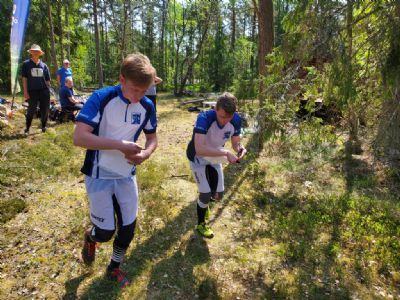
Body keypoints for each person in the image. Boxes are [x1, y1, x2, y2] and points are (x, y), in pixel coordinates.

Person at [73, 53, 157, 288]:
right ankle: (91, 237)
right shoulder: (102, 97)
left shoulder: (147, 105)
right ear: (121, 78)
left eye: (143, 91)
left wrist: (146, 154)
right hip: (98, 174)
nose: (137, 96)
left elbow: (152, 138)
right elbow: (79, 137)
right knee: (106, 232)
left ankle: (114, 268)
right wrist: (120, 145)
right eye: (134, 90)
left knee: (129, 227)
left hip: (126, 174)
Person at [186, 92, 247, 238]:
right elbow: (200, 148)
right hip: (197, 157)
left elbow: (235, 142)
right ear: (215, 109)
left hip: (215, 156)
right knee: (206, 193)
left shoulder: (236, 119)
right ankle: (201, 224)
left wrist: (240, 148)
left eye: (229, 117)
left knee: (218, 196)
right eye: (221, 116)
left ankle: (205, 204)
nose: (225, 121)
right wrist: (226, 153)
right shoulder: (204, 118)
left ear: (234, 113)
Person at [22, 44, 51, 134]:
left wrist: (49, 90)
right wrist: (25, 91)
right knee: (31, 110)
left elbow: (47, 80)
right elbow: (24, 78)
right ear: (31, 52)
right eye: (33, 51)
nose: (35, 52)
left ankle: (43, 126)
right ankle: (27, 128)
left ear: (39, 53)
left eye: (37, 51)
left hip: (44, 91)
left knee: (45, 109)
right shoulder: (26, 64)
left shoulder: (44, 65)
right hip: (32, 91)